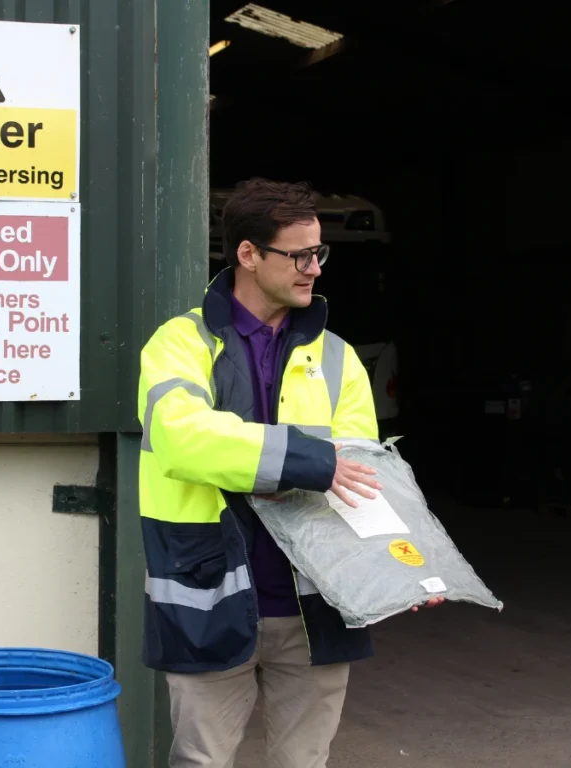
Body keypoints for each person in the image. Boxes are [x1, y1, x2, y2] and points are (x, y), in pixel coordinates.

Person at [137, 178, 441, 768]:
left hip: (314, 607)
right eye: (299, 255)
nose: (315, 269)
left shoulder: (339, 358)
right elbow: (181, 438)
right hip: (209, 594)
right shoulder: (179, 345)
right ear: (248, 254)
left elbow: (365, 479)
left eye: (319, 253)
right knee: (201, 761)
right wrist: (312, 462)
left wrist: (402, 567)